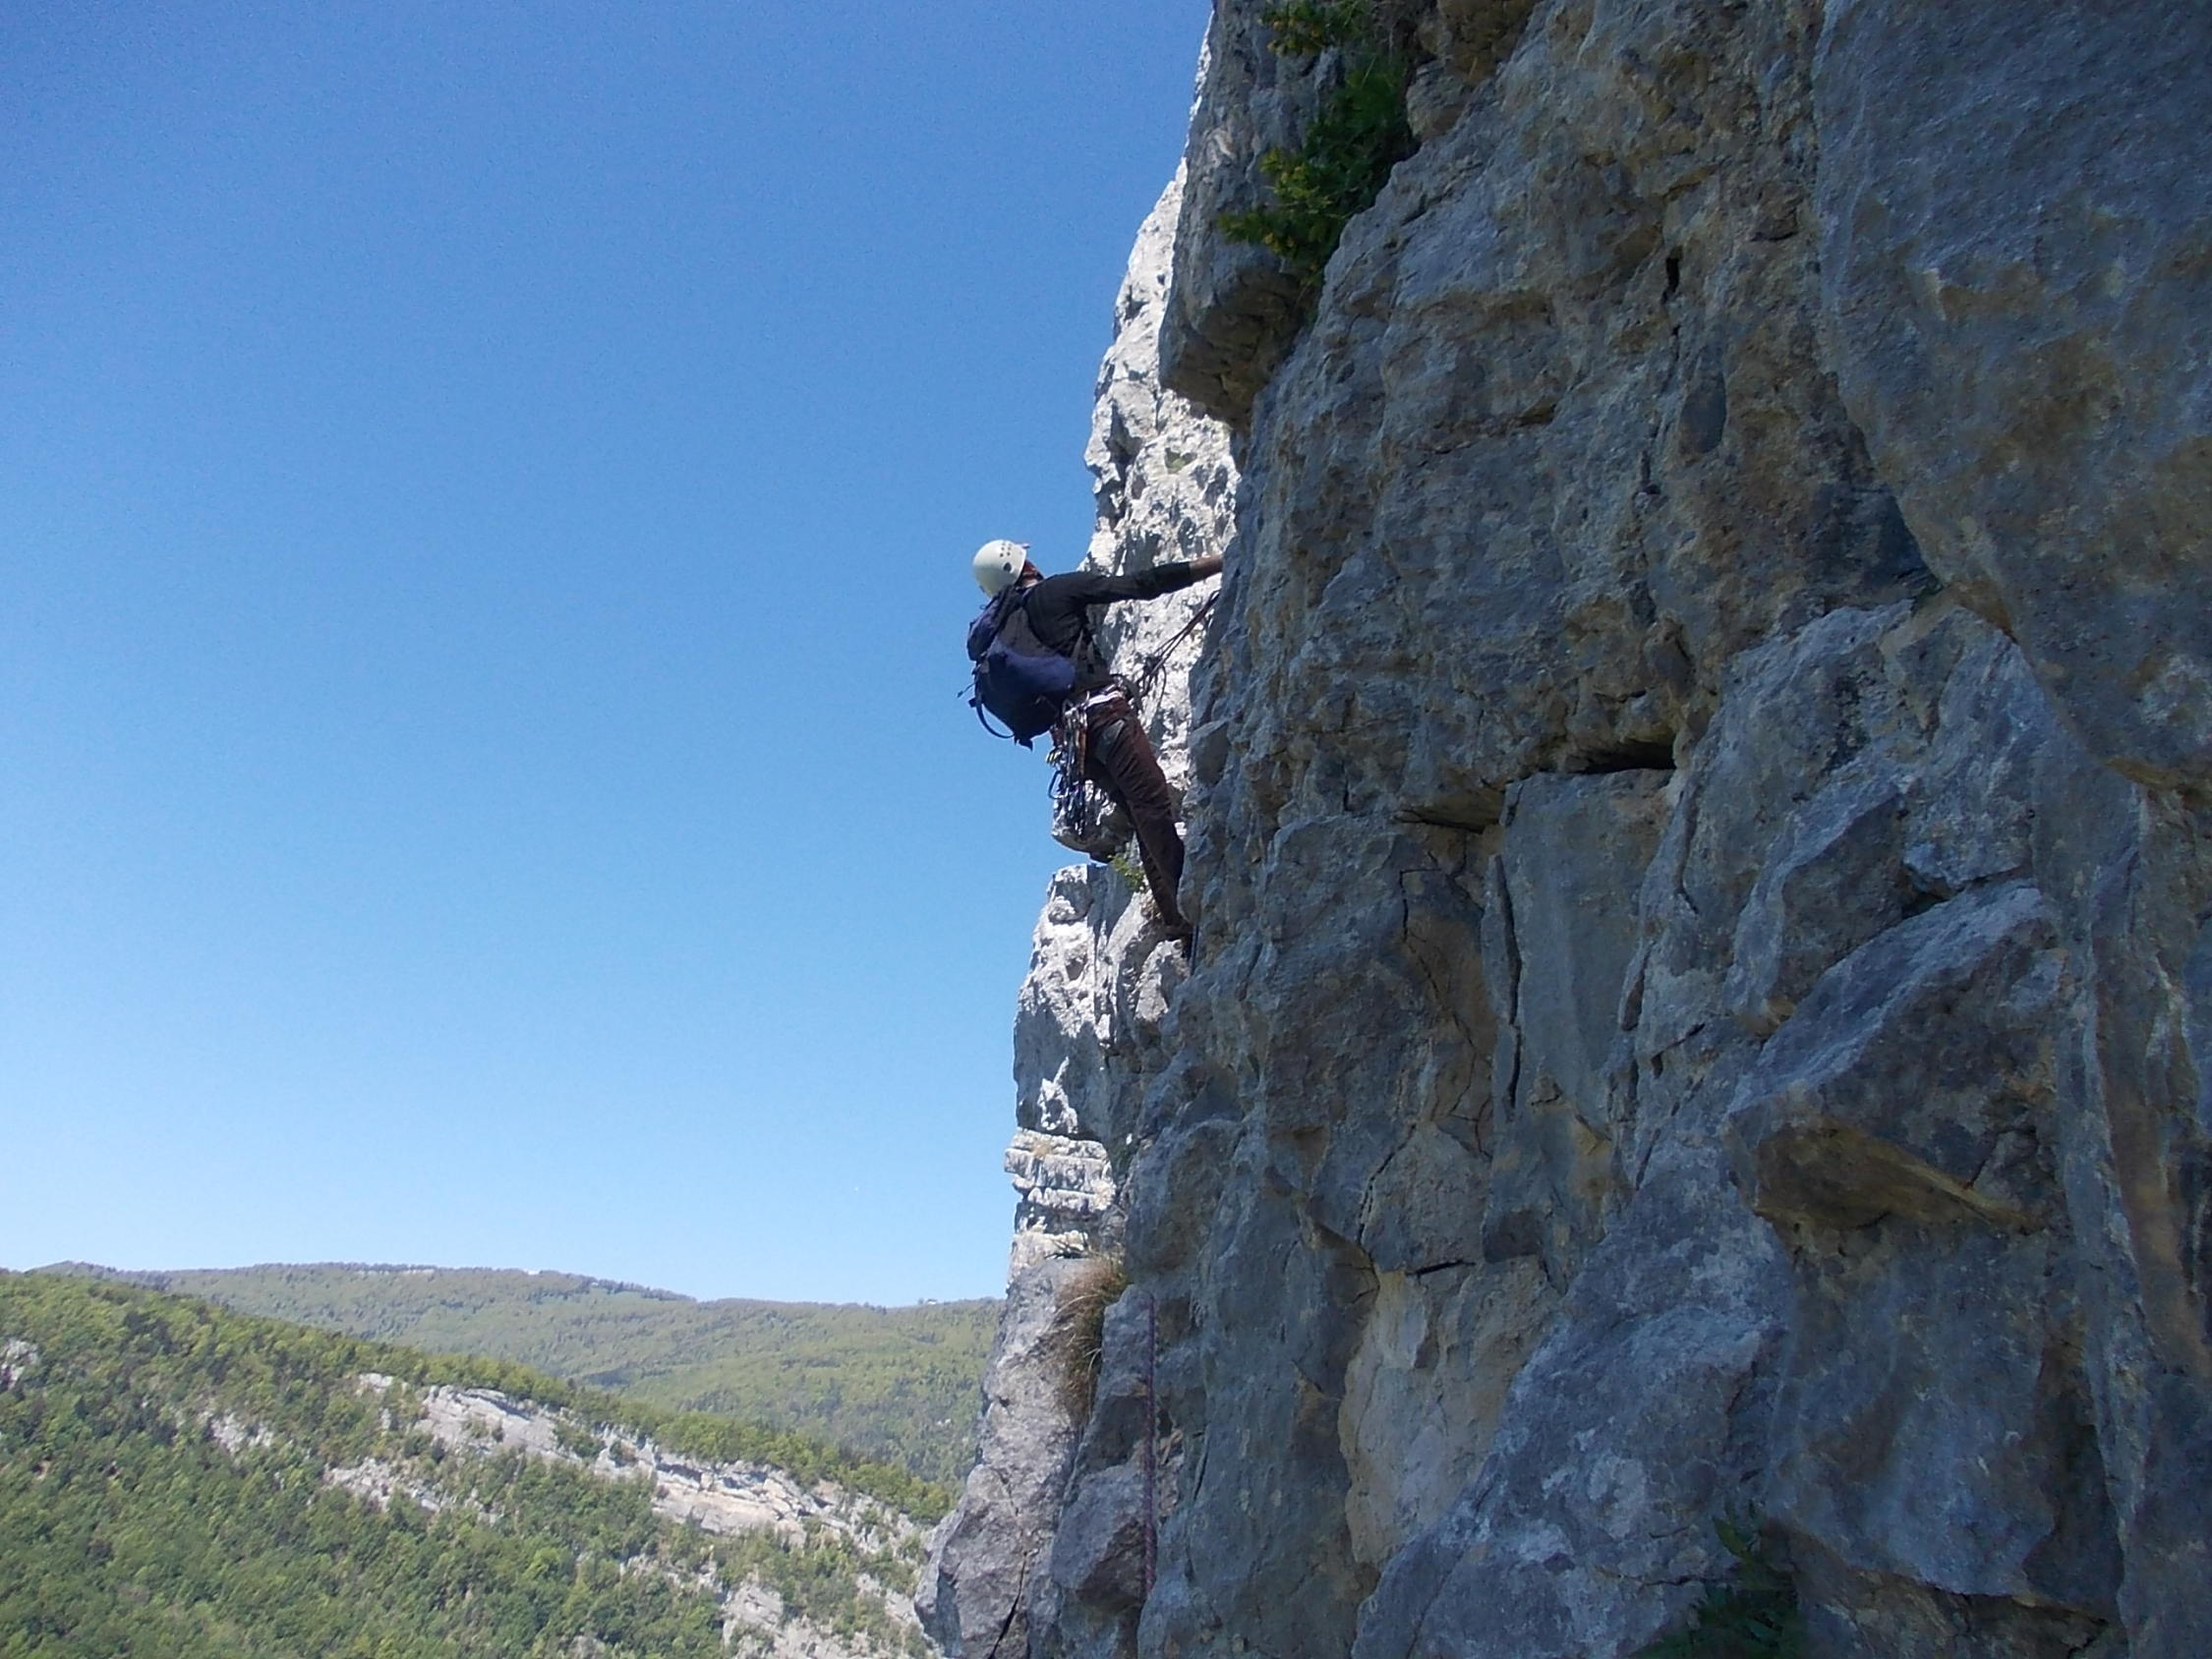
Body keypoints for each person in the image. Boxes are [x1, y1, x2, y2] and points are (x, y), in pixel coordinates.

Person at [968, 539, 1224, 940]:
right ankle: (1191, 905)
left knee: (1142, 816)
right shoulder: (1059, 590)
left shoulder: (1003, 626)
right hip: (1104, 716)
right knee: (1152, 803)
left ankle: (1176, 919)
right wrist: (1216, 563)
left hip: (1074, 744)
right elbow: (1141, 583)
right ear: (1026, 564)